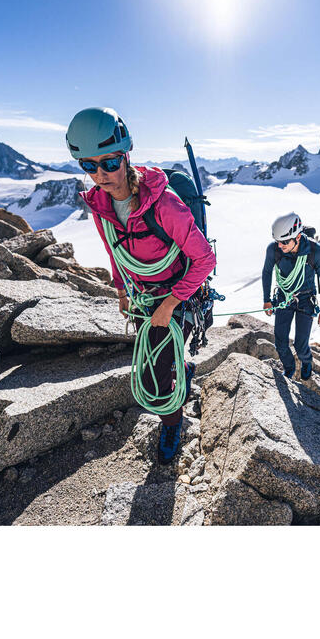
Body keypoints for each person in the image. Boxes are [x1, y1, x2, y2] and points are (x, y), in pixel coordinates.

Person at [67, 107, 216, 464]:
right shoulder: (101, 205)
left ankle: (171, 423)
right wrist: (120, 290)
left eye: (110, 162)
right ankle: (180, 372)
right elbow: (114, 251)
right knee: (158, 360)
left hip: (174, 296)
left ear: (126, 155)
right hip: (140, 296)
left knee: (153, 378)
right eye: (90, 166)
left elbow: (204, 259)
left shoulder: (163, 204)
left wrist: (168, 306)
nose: (101, 174)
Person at [262, 212, 320, 380]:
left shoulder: (316, 252)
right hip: (283, 298)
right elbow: (266, 272)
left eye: (285, 242)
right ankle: (289, 367)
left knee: (301, 345)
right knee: (280, 342)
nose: (280, 246)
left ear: (298, 237)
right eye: (278, 241)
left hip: (305, 300)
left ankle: (306, 361)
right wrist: (267, 300)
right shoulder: (274, 249)